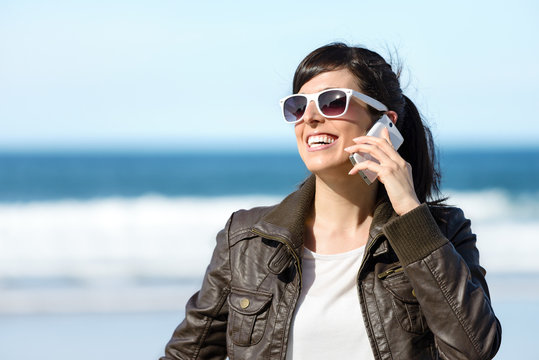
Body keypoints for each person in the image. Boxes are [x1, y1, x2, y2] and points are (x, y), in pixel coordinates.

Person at [160, 43, 502, 360]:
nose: (310, 118)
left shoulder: (441, 232)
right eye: (298, 106)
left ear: (384, 123)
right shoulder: (247, 241)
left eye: (332, 101)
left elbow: (473, 349)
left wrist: (410, 212)